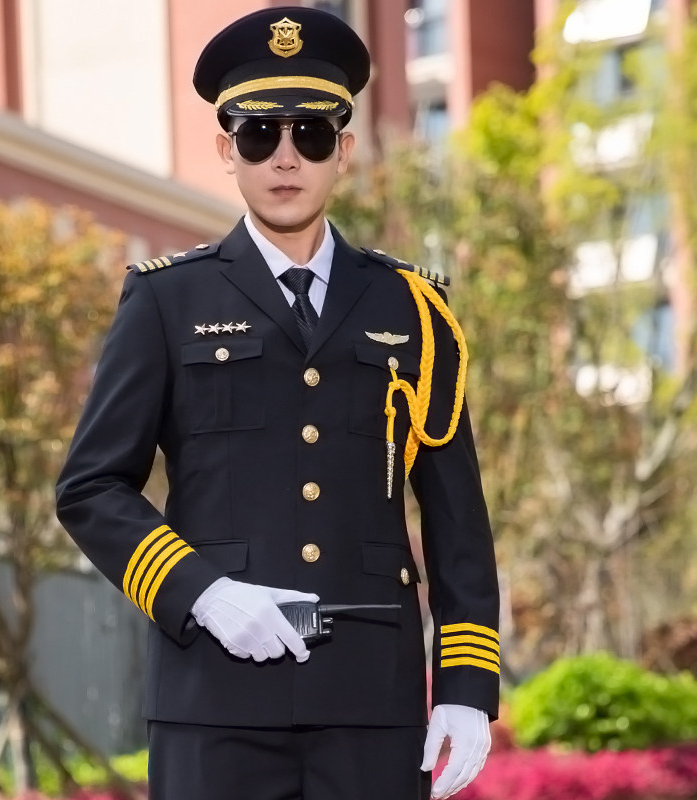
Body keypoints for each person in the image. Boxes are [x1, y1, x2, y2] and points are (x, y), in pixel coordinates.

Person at [55, 6, 499, 800]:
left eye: (312, 135)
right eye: (259, 135)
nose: (285, 157)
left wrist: (465, 686)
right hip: (213, 701)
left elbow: (456, 515)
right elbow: (90, 487)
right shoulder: (167, 301)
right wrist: (203, 592)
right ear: (226, 150)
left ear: (344, 153)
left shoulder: (411, 308)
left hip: (372, 703)